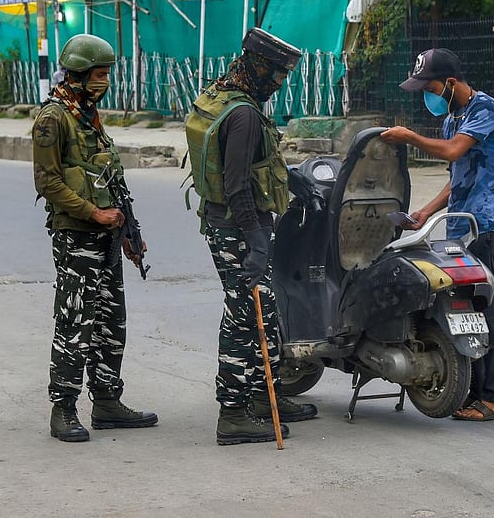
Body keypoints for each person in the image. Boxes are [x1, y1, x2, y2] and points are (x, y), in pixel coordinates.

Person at [185, 27, 318, 445]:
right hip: (238, 228)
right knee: (246, 314)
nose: (280, 82)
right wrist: (255, 241)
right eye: (275, 73)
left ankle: (265, 397)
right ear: (258, 67)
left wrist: (291, 179)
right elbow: (238, 183)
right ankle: (233, 413)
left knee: (266, 308)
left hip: (238, 223)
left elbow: (255, 163)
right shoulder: (241, 114)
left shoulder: (226, 94)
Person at [32, 34, 158, 442]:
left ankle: (106, 401)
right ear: (81, 74)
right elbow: (48, 182)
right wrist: (93, 213)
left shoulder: (89, 114)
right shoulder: (54, 118)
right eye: (100, 74)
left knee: (109, 320)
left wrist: (127, 230)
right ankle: (63, 408)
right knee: (75, 321)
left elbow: (108, 176)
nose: (105, 82)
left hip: (105, 236)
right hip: (76, 235)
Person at [380, 48, 494, 422]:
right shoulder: (454, 118)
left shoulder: (485, 109)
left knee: (489, 311)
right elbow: (457, 180)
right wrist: (424, 213)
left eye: (430, 86)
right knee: (465, 313)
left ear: (450, 83)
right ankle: (472, 394)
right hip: (456, 228)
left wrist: (410, 138)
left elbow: (453, 152)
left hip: (483, 227)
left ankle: (493, 398)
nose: (427, 94)